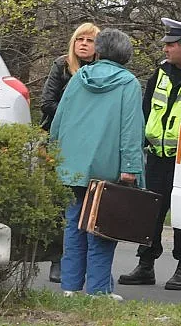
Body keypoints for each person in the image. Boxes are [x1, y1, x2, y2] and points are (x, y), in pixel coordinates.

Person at [50, 28, 145, 300]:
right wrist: (131, 167)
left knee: (73, 225)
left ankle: (70, 286)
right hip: (107, 168)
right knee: (102, 228)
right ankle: (98, 289)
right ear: (126, 55)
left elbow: (59, 118)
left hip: (72, 165)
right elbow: (131, 129)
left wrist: (55, 152)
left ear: (99, 51)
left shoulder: (80, 76)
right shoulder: (128, 83)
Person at [119, 18, 181, 291]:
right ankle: (145, 265)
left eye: (170, 44)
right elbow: (145, 111)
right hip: (156, 156)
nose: (165, 49)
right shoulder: (161, 73)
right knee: (150, 212)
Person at [39, 22, 99, 283]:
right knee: (59, 203)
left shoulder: (103, 72)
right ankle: (57, 259)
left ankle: (84, 262)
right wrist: (74, 120)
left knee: (85, 203)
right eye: (79, 39)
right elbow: (47, 102)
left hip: (91, 143)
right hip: (60, 141)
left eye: (90, 40)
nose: (83, 43)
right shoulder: (61, 66)